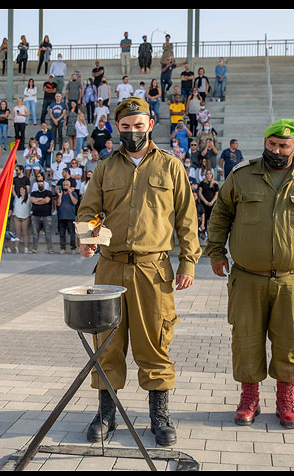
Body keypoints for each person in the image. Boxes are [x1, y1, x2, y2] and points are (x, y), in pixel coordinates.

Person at [77, 96, 201, 447]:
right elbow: (90, 210)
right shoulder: (105, 168)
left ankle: (159, 416)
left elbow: (186, 220)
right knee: (107, 344)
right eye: (126, 126)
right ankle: (106, 413)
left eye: (139, 124)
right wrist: (87, 240)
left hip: (153, 269)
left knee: (155, 344)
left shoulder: (171, 167)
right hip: (111, 269)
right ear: (118, 127)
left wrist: (188, 262)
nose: (132, 131)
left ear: (151, 124)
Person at [205, 118, 294, 430]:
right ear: (264, 143)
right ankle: (249, 397)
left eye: (284, 146)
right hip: (247, 278)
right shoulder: (241, 176)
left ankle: (285, 398)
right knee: (246, 339)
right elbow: (221, 214)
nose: (277, 150)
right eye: (272, 144)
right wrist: (215, 252)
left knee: (292, 340)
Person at [29, 177, 54, 254]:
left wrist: (37, 200)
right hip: (35, 216)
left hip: (46, 215)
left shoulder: (48, 193)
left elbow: (47, 200)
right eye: (39, 183)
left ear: (44, 184)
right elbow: (31, 200)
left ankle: (50, 249)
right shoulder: (33, 193)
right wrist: (41, 200)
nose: (40, 184)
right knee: (35, 233)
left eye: (41, 183)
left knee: (48, 233)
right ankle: (34, 249)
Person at [56, 178, 78, 254]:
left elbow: (75, 202)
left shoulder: (74, 193)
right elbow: (58, 204)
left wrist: (70, 193)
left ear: (70, 186)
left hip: (70, 217)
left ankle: (73, 248)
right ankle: (62, 248)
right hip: (61, 216)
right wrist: (60, 196)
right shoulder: (60, 194)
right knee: (62, 234)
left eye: (67, 185)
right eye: (64, 185)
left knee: (72, 233)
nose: (65, 186)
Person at [12, 185, 32, 254]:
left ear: (25, 190)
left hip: (25, 217)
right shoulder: (17, 198)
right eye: (20, 189)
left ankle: (26, 247)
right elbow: (14, 205)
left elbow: (32, 206)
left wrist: (31, 213)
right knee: (17, 232)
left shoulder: (29, 198)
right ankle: (16, 247)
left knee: (25, 232)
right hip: (17, 217)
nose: (22, 191)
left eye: (23, 189)